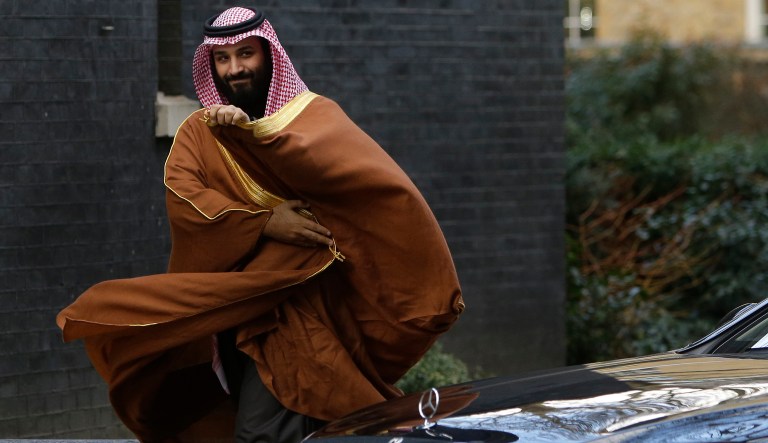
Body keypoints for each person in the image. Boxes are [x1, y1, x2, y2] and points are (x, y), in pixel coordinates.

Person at [57, 6, 464, 443]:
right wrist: (264, 221)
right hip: (227, 310)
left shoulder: (317, 118)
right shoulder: (200, 132)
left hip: (296, 313)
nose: (235, 69)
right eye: (223, 59)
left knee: (271, 424)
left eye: (246, 54)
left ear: (270, 55)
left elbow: (371, 192)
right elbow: (185, 197)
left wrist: (252, 136)